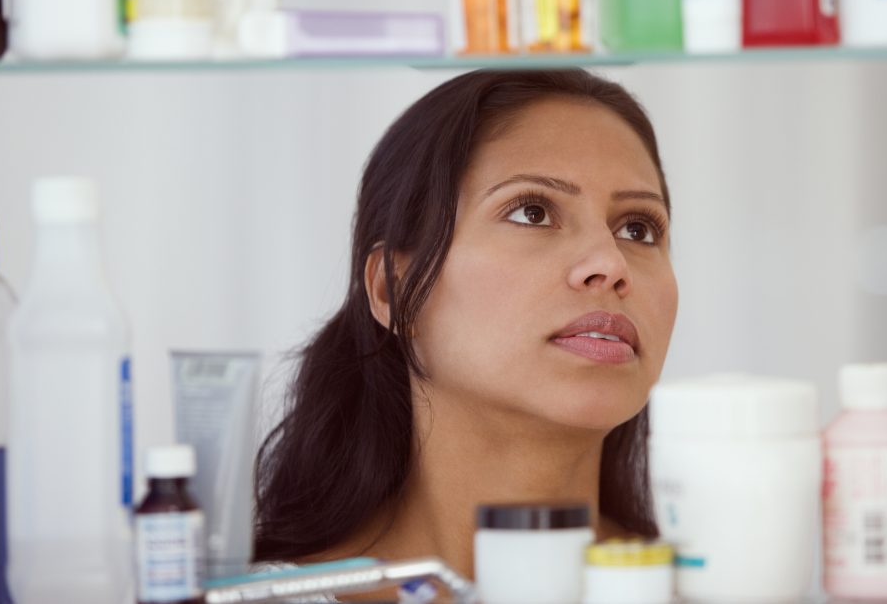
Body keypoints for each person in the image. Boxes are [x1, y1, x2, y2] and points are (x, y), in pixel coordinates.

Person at [255, 68, 678, 579]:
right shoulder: (272, 594)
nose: (611, 265)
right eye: (533, 213)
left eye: (638, 228)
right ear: (396, 290)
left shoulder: (721, 588)